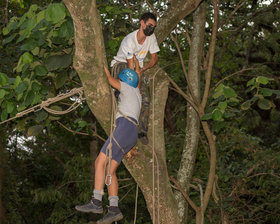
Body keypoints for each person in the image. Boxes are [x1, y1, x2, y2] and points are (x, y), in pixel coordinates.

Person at [75, 62, 142, 224]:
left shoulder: (126, 87)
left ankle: (96, 201)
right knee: (109, 171)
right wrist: (136, 66)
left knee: (100, 162)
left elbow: (110, 80)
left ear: (124, 81)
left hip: (124, 127)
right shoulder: (137, 91)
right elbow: (137, 77)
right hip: (131, 133)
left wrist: (103, 66)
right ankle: (114, 209)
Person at [111, 12, 160, 145]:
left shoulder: (151, 37)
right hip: (122, 66)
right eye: (149, 25)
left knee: (145, 98)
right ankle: (116, 94)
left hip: (138, 69)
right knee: (126, 83)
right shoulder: (129, 40)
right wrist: (136, 79)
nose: (151, 28)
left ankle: (142, 131)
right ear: (142, 23)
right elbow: (130, 66)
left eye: (153, 27)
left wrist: (144, 69)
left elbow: (155, 58)